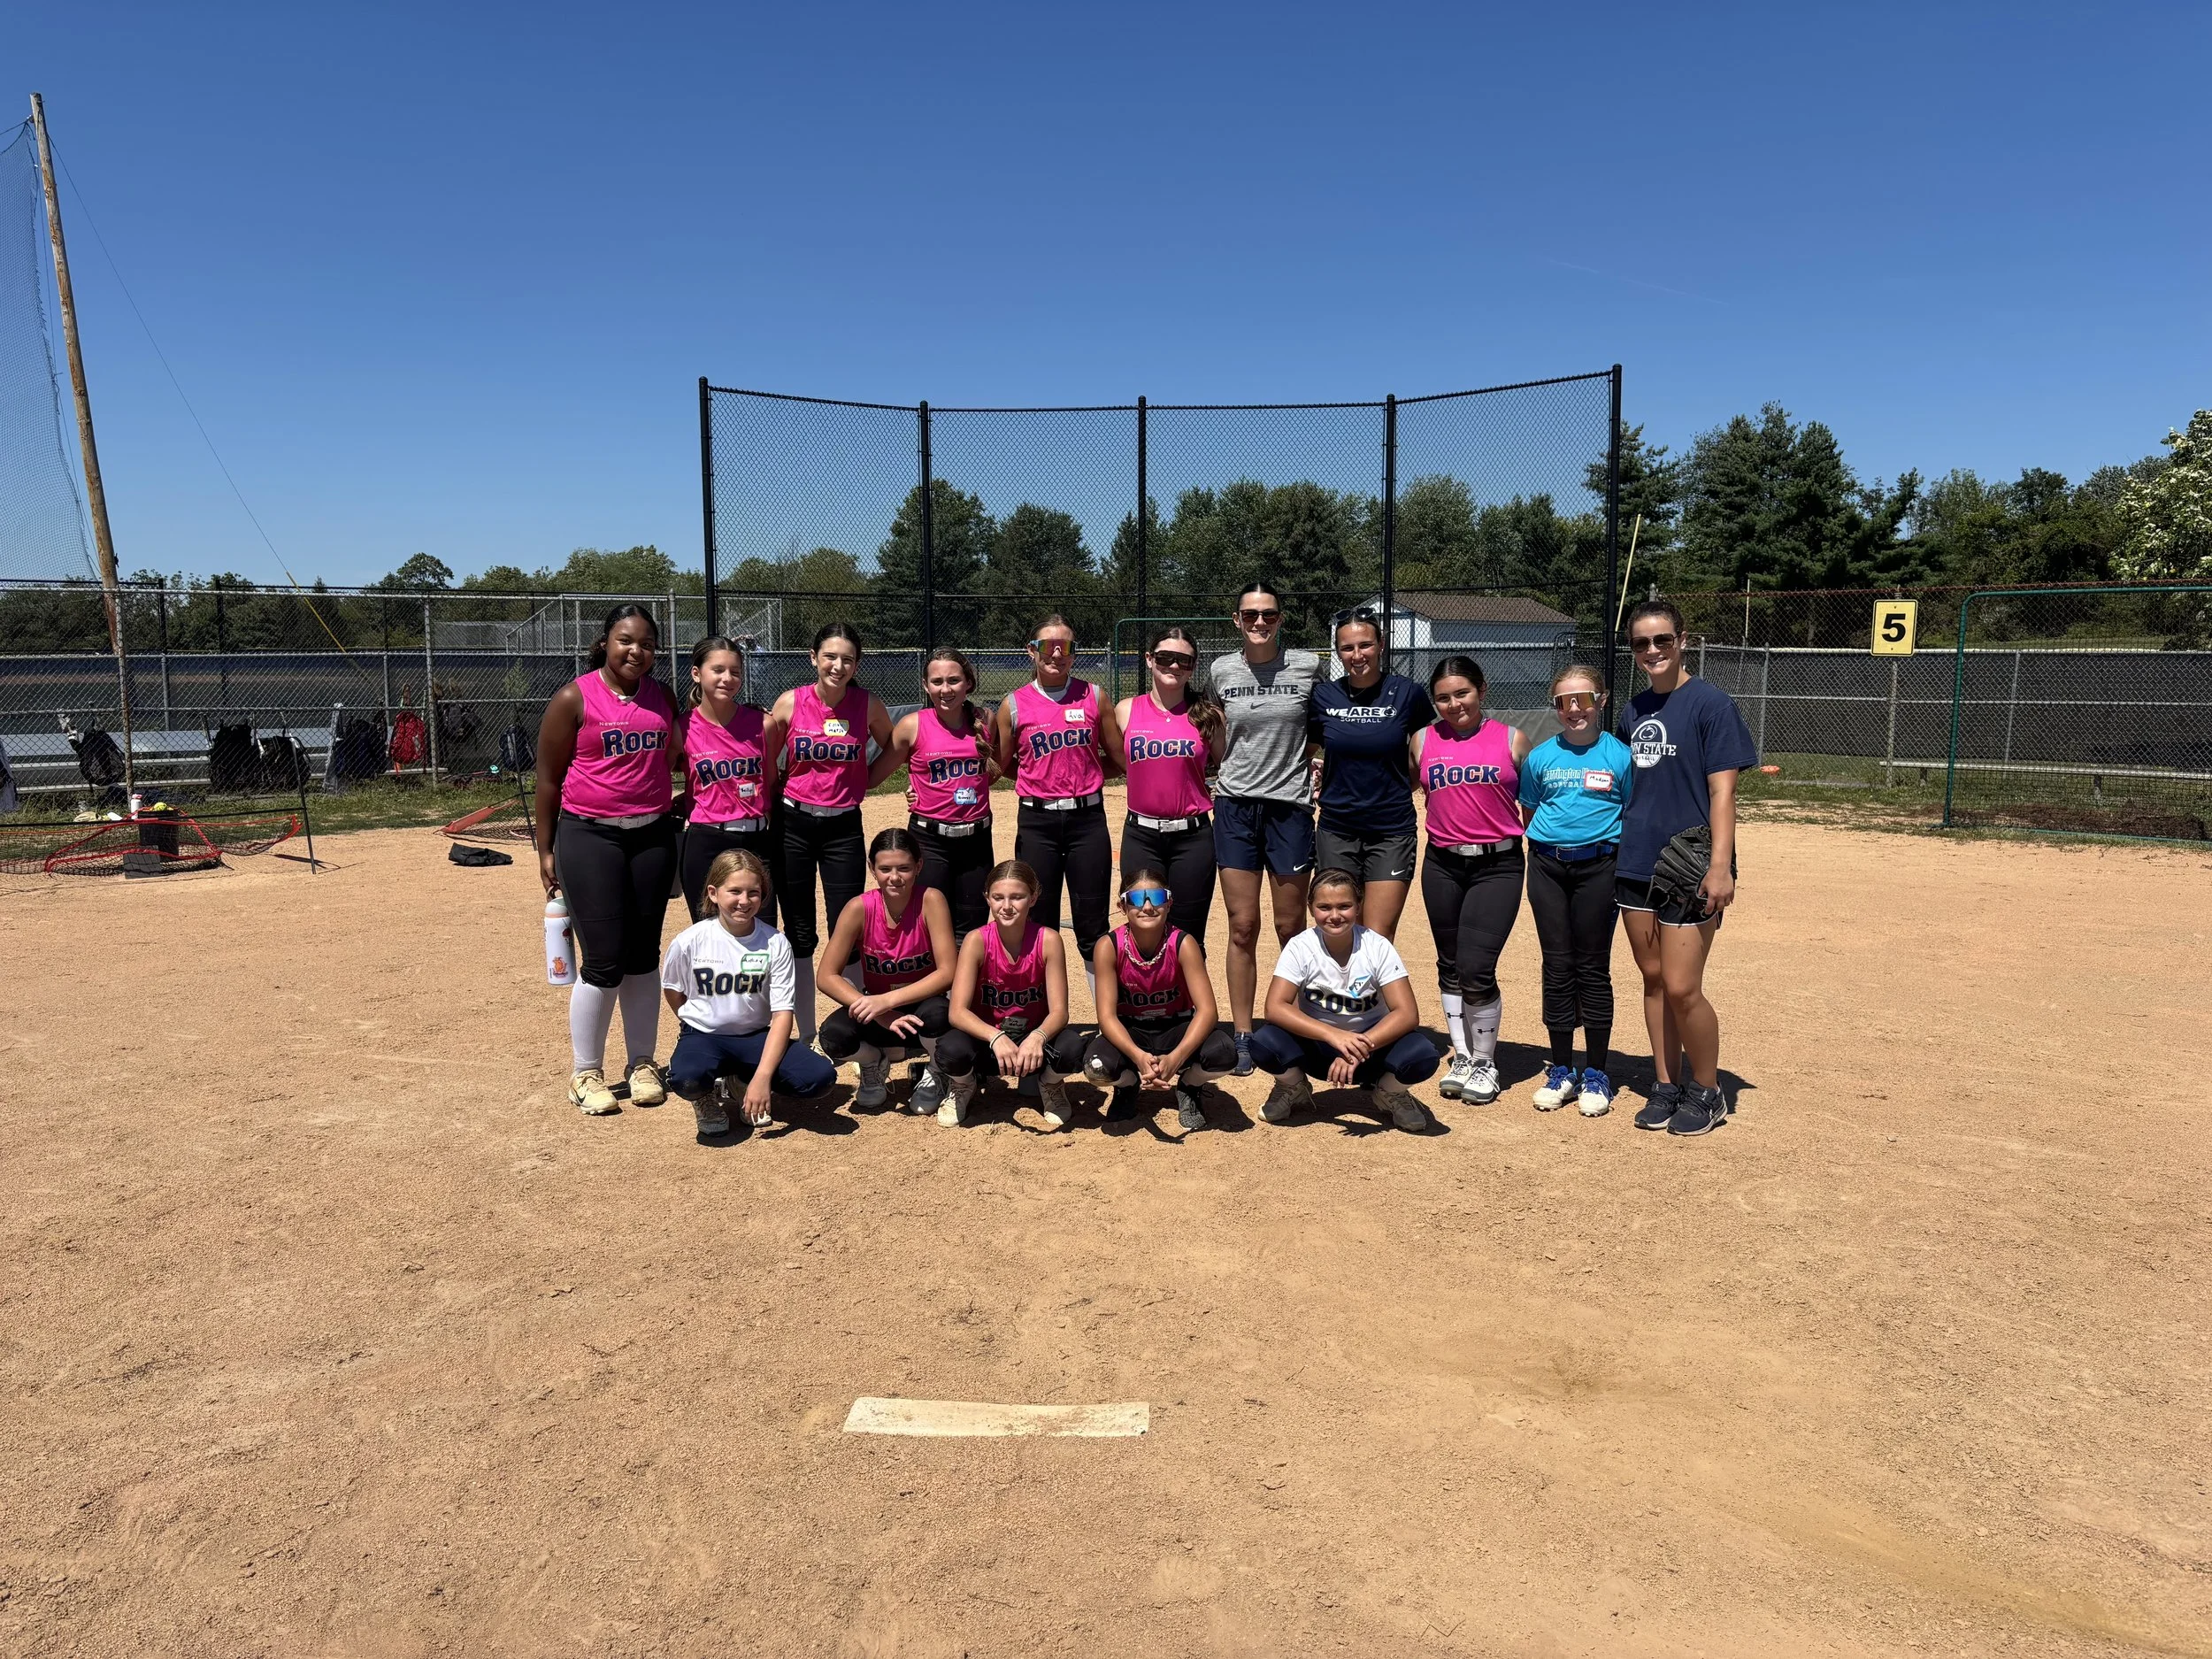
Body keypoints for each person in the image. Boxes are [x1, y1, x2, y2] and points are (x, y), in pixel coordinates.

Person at [533, 603, 687, 1116]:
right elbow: (549, 780)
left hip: (651, 835)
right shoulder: (573, 697)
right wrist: (546, 848)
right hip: (589, 836)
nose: (636, 651)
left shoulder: (661, 697)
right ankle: (585, 1071)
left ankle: (642, 1062)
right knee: (603, 959)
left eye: (646, 643)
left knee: (643, 956)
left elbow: (673, 758)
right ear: (604, 642)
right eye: (625, 640)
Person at [1617, 600, 1758, 1137]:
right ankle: (1666, 1083)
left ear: (1683, 640)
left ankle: (1708, 1089)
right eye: (1641, 643)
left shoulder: (1710, 704)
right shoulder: (1634, 710)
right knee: (1652, 980)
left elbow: (1724, 791)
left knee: (1682, 987)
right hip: (1636, 860)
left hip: (1690, 859)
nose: (1652, 651)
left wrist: (1720, 866)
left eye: (1662, 640)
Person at [1205, 580, 1325, 1077]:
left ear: (1280, 619)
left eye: (1269, 615)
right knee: (1242, 927)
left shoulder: (1309, 666)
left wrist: (1318, 764)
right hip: (1234, 808)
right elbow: (1213, 730)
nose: (1259, 622)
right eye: (1250, 615)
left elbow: (1326, 726)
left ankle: (1298, 1024)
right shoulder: (1221, 670)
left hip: (1289, 810)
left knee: (1290, 927)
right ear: (1237, 620)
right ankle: (1244, 1032)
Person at [764, 621, 898, 1044]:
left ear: (857, 664)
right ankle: (803, 1035)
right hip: (793, 824)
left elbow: (895, 746)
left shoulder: (867, 705)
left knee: (849, 927)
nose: (838, 665)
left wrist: (868, 779)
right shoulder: (790, 703)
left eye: (847, 659)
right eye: (830, 656)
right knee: (800, 931)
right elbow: (766, 758)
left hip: (843, 824)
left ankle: (857, 1029)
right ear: (813, 658)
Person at [1413, 656, 1531, 1106]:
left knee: (1477, 966)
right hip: (1442, 863)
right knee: (1449, 963)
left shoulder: (1512, 739)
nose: (1453, 704)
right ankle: (1461, 1055)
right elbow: (1401, 785)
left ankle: (1485, 1061)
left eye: (1462, 693)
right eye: (1443, 697)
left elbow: (1534, 804)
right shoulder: (1422, 740)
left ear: (1481, 690)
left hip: (1497, 864)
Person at [1518, 665, 1633, 1118]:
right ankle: (1561, 1068)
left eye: (1583, 699)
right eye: (1564, 702)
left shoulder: (1619, 757)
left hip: (1601, 866)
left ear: (1602, 701)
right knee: (1557, 963)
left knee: (1592, 965)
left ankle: (1597, 1072)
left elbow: (1631, 808)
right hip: (1547, 865)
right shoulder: (1542, 758)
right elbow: (1530, 808)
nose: (1574, 709)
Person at [993, 614, 1122, 1007]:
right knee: (1038, 922)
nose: (1055, 654)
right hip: (1038, 821)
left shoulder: (1094, 696)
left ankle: (1107, 1022)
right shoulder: (1013, 704)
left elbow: (1119, 758)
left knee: (1092, 923)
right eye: (1047, 646)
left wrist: (1092, 777)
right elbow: (1001, 765)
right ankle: (1040, 1016)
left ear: (1074, 654)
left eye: (1064, 647)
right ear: (1031, 651)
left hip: (1087, 820)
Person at [661, 849, 837, 1138]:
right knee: (687, 1078)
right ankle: (705, 1097)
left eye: (753, 892)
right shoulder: (690, 941)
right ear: (714, 893)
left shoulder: (775, 942)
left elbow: (782, 1014)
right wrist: (694, 1022)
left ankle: (740, 1081)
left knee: (820, 1079)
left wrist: (762, 1078)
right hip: (705, 1035)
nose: (744, 901)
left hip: (755, 1035)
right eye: (734, 891)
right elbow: (673, 990)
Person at [1249, 868, 1439, 1131]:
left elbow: (1406, 1013)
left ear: (1358, 906)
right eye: (1324, 907)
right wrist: (1333, 1035)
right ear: (1310, 907)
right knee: (1264, 1043)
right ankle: (1292, 1085)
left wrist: (1359, 1047)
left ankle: (1389, 1091)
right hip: (1319, 1050)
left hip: (1371, 1051)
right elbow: (1275, 1007)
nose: (1335, 916)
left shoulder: (1377, 946)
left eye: (1345, 906)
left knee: (1422, 1054)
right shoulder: (1300, 946)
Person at [1307, 607, 1433, 940]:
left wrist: (1410, 781)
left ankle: (1372, 994)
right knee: (1340, 928)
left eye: (1365, 645)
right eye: (1347, 648)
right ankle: (1337, 994)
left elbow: (1427, 751)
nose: (1357, 654)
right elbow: (1307, 749)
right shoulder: (1323, 696)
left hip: (1391, 829)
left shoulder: (1408, 693)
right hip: (1337, 828)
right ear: (1337, 651)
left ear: (1381, 645)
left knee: (1377, 933)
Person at [1084, 868, 1238, 1133]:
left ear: (1168, 902)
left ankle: (1190, 1085)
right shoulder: (1108, 946)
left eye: (1156, 897)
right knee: (1097, 1067)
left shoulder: (1183, 943)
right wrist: (1138, 1056)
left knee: (1225, 1054)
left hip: (1175, 1027)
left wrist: (1176, 1058)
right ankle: (1127, 1085)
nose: (1147, 907)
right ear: (1122, 906)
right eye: (1136, 899)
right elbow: (1107, 1017)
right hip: (1132, 1030)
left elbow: (1207, 1011)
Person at [817, 828, 957, 1116]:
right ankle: (872, 1061)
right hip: (881, 1013)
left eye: (904, 868)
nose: (895, 877)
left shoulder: (931, 900)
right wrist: (880, 1011)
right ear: (872, 869)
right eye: (885, 869)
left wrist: (887, 1002)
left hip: (922, 1010)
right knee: (833, 1035)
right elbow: (826, 976)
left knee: (940, 1014)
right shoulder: (859, 908)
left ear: (919, 866)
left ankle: (935, 1068)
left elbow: (948, 971)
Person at [937, 860, 1087, 1129]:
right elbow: (957, 1011)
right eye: (998, 897)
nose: (1007, 906)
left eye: (1017, 897)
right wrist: (995, 1036)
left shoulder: (1049, 939)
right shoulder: (977, 940)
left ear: (1034, 898)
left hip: (1032, 1044)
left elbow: (1059, 1012)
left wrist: (1038, 1036)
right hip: (990, 1041)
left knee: (1073, 1048)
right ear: (987, 899)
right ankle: (964, 1084)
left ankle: (1048, 1083)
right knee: (950, 1050)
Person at [1114, 626, 1224, 943]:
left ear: (1193, 667)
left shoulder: (1207, 715)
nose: (1174, 666)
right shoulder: (1126, 710)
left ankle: (1187, 994)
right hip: (1141, 835)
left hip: (1193, 837)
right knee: (1143, 927)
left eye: (1184, 661)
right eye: (1165, 658)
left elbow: (1229, 767)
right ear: (1149, 660)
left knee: (1189, 935)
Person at [886, 648, 998, 938]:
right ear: (925, 685)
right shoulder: (913, 724)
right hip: (930, 841)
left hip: (976, 842)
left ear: (968, 683)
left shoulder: (986, 720)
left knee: (970, 933)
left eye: (953, 680)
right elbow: (873, 775)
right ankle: (933, 985)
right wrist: (911, 787)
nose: (945, 689)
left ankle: (962, 985)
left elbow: (993, 772)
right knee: (929, 929)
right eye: (937, 682)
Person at [680, 635, 777, 925]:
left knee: (763, 931)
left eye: (735, 672)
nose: (727, 678)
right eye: (718, 670)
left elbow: (771, 782)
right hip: (706, 841)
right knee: (707, 933)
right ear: (697, 673)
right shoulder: (680, 729)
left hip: (756, 839)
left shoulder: (763, 723)